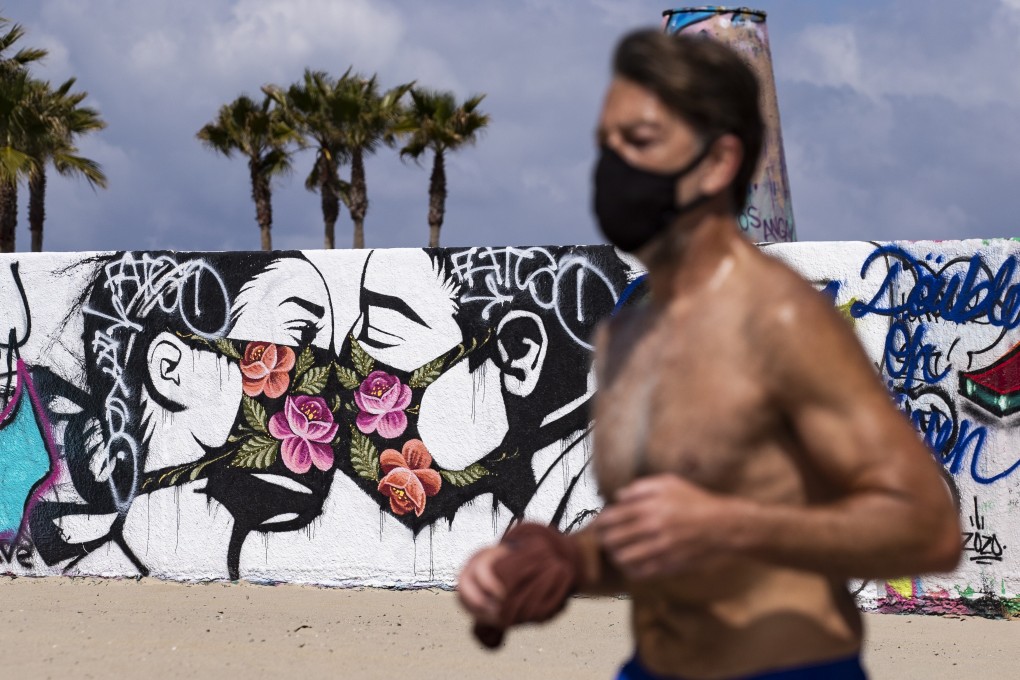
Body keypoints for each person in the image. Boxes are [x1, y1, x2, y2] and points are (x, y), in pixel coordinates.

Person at [457, 29, 962, 680]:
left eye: (638, 142)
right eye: (606, 144)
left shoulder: (781, 320)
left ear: (718, 163)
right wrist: (567, 562)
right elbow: (666, 536)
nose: (612, 166)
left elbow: (927, 527)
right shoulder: (629, 336)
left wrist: (732, 523)